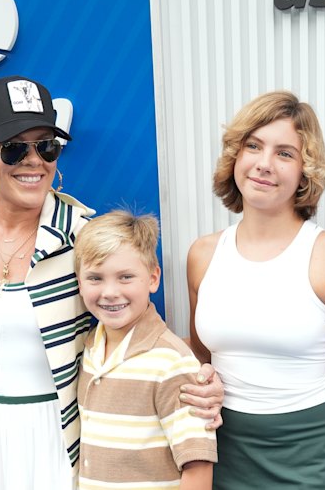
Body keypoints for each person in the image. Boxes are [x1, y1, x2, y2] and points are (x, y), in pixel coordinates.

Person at [0, 75, 224, 490]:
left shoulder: (82, 237)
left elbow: (138, 329)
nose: (33, 161)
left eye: (46, 146)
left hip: (55, 439)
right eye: (13, 147)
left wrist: (199, 379)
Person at [187, 91, 325, 489]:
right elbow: (201, 361)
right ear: (235, 157)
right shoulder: (203, 255)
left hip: (308, 458)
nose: (264, 164)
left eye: (285, 153)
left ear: (305, 171)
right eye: (253, 146)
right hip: (222, 455)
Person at [74, 210, 217, 490]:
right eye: (95, 278)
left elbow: (197, 467)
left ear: (153, 279)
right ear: (79, 282)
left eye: (126, 277)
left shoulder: (171, 362)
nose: (110, 292)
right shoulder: (88, 347)